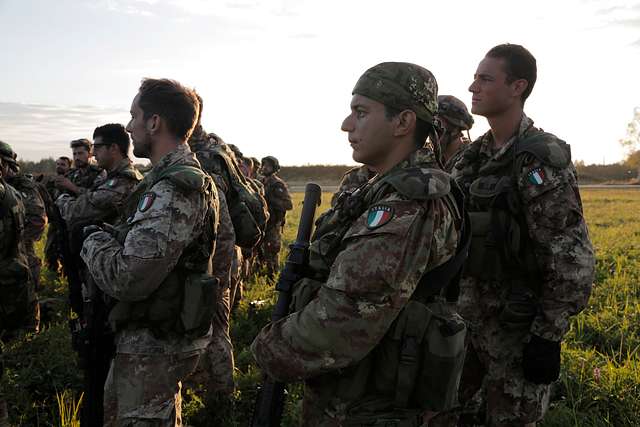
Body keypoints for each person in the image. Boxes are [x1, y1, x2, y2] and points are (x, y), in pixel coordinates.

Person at [251, 62, 467, 426]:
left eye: (361, 112)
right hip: (350, 394)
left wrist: (266, 349)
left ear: (403, 122)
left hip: (375, 406)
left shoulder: (409, 202)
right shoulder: (375, 186)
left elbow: (343, 320)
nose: (346, 125)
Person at [451, 43, 595, 426]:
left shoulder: (538, 158)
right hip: (463, 326)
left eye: (485, 79)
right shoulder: (469, 160)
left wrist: (547, 336)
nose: (472, 87)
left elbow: (570, 255)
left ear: (518, 87)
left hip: (516, 332)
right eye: (475, 77)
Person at [80, 78, 220, 426]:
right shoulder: (168, 178)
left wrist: (92, 241)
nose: (129, 126)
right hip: (155, 337)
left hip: (155, 344)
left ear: (154, 122)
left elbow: (129, 278)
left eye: (134, 116)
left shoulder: (173, 188)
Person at [55, 123, 143, 425]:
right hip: (100, 281)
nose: (93, 152)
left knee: (100, 360)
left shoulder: (124, 181)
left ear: (114, 149)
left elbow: (77, 212)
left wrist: (63, 197)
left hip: (110, 287)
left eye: (98, 146)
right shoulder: (109, 179)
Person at [2, 144, 47, 295]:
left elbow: (38, 222)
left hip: (21, 258)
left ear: (8, 165)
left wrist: (12, 239)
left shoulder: (24, 187)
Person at [258, 155, 293, 278]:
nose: (265, 168)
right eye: (264, 165)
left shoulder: (278, 184)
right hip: (262, 223)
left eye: (268, 165)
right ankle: (262, 274)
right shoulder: (260, 182)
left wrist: (271, 200)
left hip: (273, 224)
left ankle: (273, 277)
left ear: (274, 168)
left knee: (272, 251)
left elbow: (288, 205)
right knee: (261, 251)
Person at [44, 156, 72, 273]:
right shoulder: (51, 182)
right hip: (55, 223)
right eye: (58, 164)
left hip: (67, 225)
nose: (59, 166)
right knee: (50, 250)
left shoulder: (72, 181)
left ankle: (65, 274)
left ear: (69, 167)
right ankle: (53, 274)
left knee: (67, 252)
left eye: (63, 164)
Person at [436, 95, 474, 172]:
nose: (434, 131)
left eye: (439, 124)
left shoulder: (471, 158)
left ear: (457, 128)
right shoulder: (428, 158)